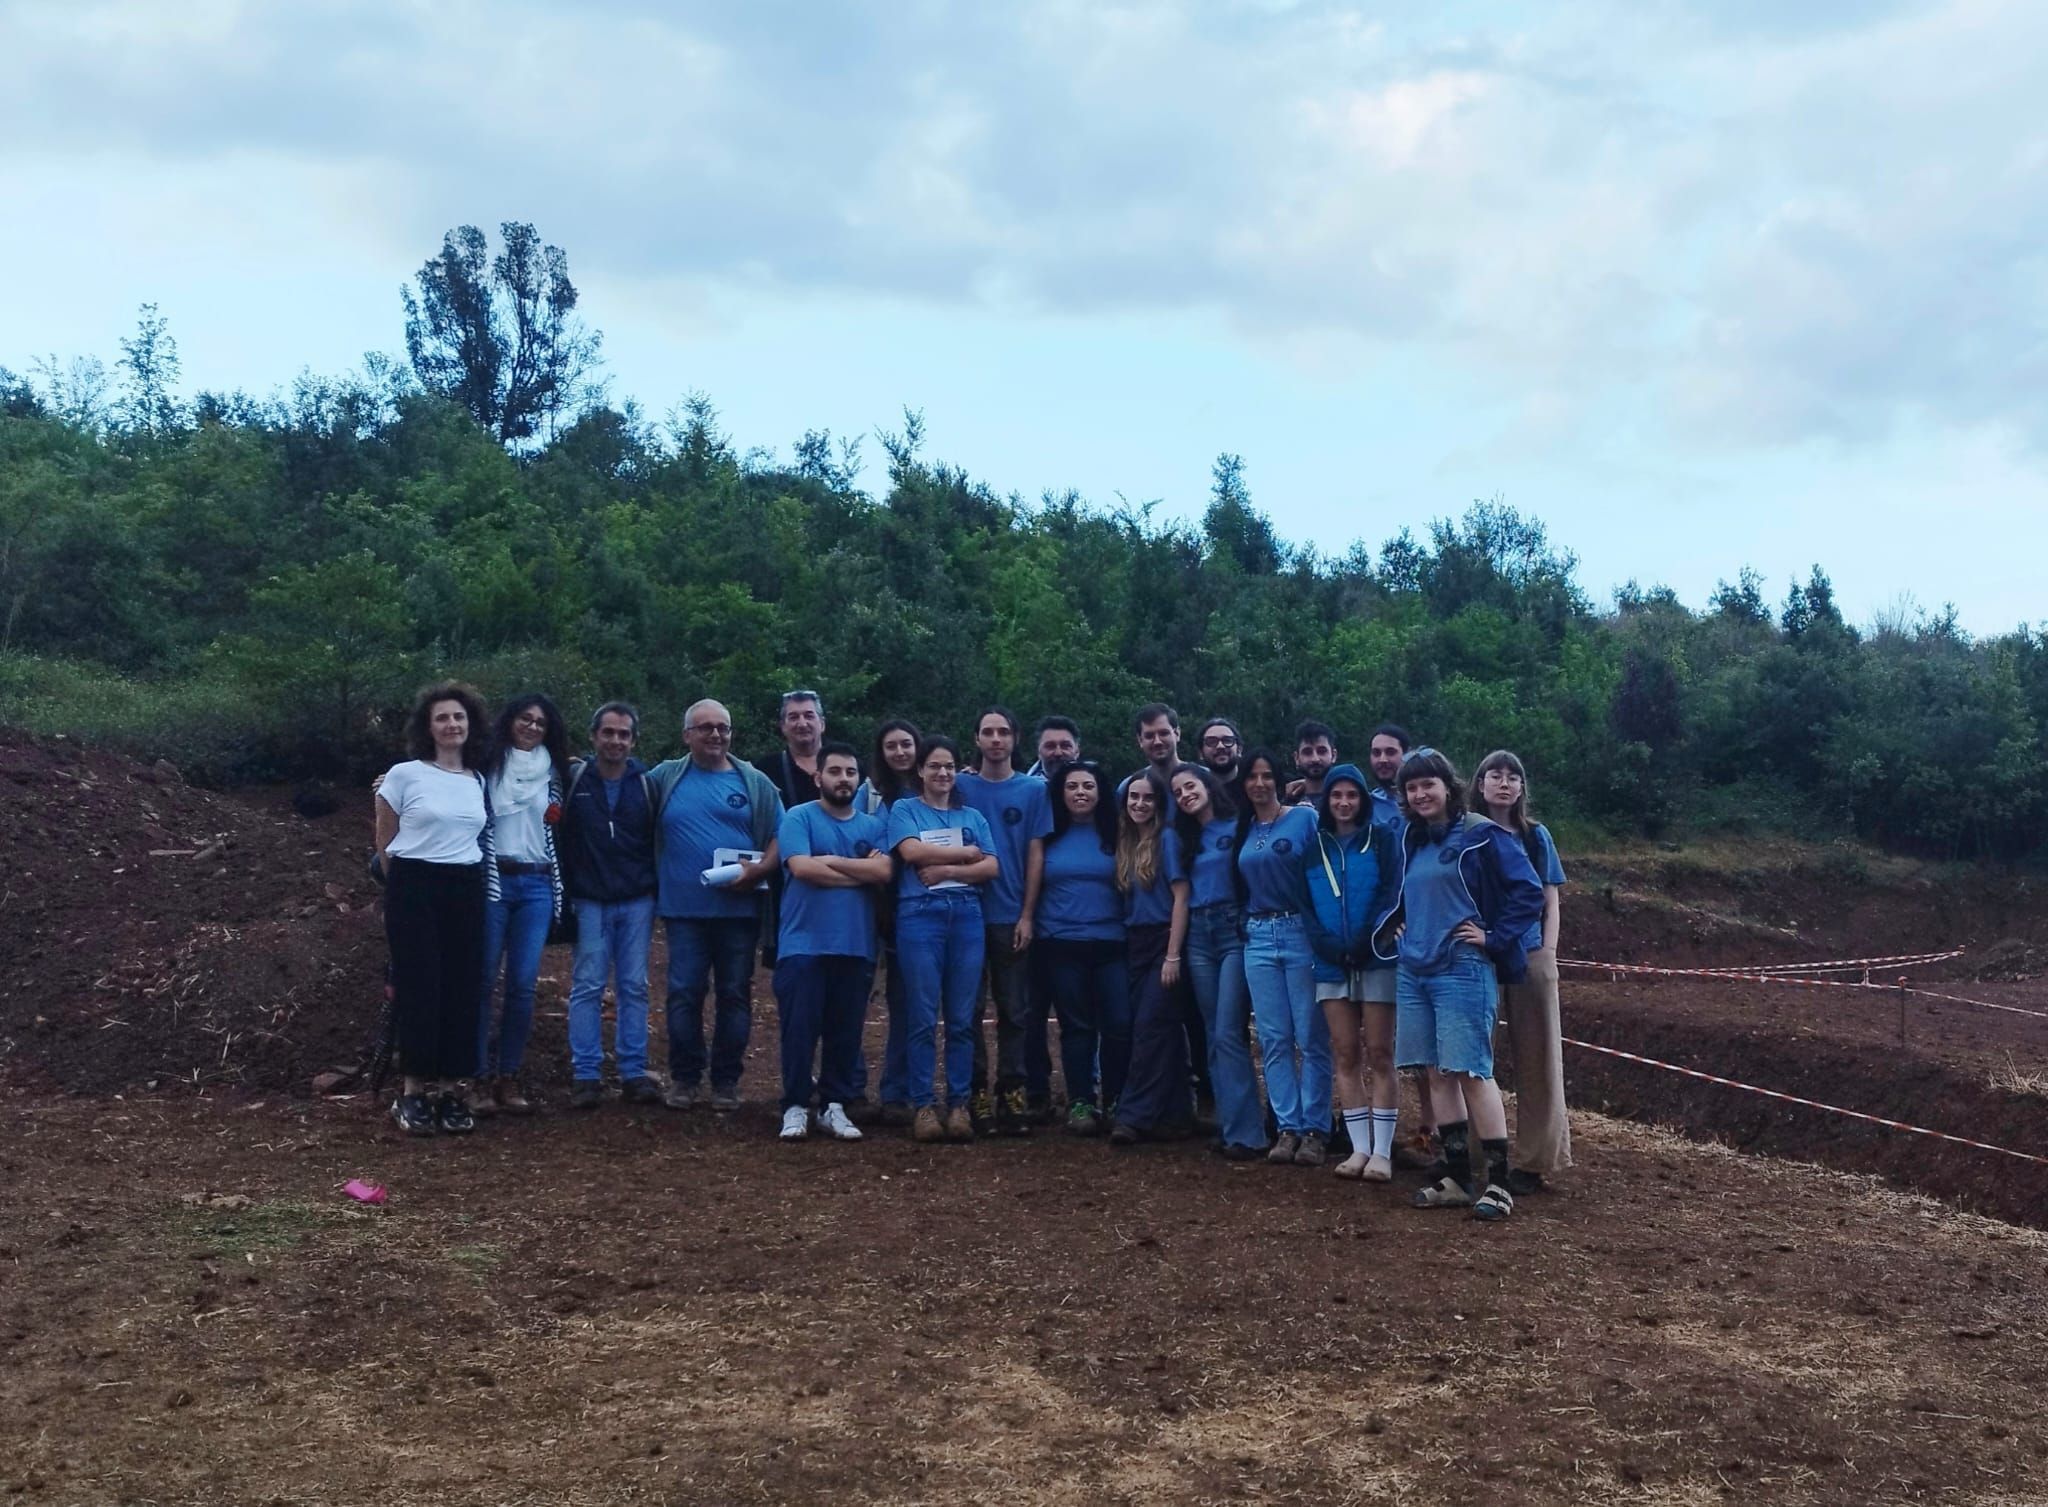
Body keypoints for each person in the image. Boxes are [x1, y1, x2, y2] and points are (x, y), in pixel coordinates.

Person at [1380, 747, 1545, 1222]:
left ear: (1447, 787)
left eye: (1428, 784)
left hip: (1462, 966)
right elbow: (1405, 893)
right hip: (1415, 967)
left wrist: (1493, 937)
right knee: (1435, 1072)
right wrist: (1398, 924)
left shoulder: (1482, 834)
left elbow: (1528, 891)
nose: (1420, 794)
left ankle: (1497, 1182)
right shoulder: (1413, 839)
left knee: (1472, 1071)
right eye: (1411, 788)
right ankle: (1456, 1177)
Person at [649, 699, 784, 1112]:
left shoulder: (755, 783)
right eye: (705, 727)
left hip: (739, 913)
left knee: (735, 996)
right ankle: (685, 1079)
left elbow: (783, 836)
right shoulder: (663, 779)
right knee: (683, 994)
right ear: (687, 734)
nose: (715, 735)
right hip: (684, 911)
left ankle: (726, 1082)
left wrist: (759, 871)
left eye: (723, 728)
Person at [374, 682, 494, 1136]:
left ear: (470, 724)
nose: (451, 724)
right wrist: (401, 888)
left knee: (462, 987)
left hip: (465, 885)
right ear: (429, 725)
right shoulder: (404, 775)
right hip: (414, 885)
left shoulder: (477, 779)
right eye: (442, 717)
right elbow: (384, 841)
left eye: (459, 717)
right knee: (419, 985)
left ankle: (450, 1090)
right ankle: (411, 1093)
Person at [774, 741, 892, 1143]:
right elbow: (803, 869)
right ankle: (794, 1105)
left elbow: (884, 872)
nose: (844, 779)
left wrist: (831, 862)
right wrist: (859, 873)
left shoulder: (874, 826)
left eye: (851, 773)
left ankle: (834, 1105)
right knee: (799, 1029)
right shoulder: (798, 817)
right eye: (836, 771)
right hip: (803, 944)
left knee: (846, 1032)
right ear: (818, 776)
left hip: (856, 944)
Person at [886, 735, 999, 1142]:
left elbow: (990, 867)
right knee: (920, 1015)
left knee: (962, 1018)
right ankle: (922, 1105)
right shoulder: (904, 809)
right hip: (920, 917)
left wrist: (951, 871)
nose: (942, 773)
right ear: (920, 771)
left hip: (967, 916)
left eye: (949, 766)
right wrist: (965, 856)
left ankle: (959, 1105)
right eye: (934, 766)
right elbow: (912, 853)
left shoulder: (973, 816)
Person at [1473, 749, 1572, 1194]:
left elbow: (1550, 899)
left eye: (1514, 777)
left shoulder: (1536, 836)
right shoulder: (1467, 833)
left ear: (1522, 788)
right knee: (1473, 1060)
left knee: (1539, 1059)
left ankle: (1535, 1162)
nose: (1505, 783)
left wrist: (1548, 953)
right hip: (1476, 956)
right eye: (1496, 775)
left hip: (1530, 953)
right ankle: (1474, 1155)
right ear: (1480, 783)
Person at [558, 702, 663, 1110]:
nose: (616, 740)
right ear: (593, 736)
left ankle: (633, 1073)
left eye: (624, 734)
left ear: (634, 740)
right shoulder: (574, 778)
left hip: (637, 898)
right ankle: (586, 1075)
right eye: (609, 732)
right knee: (587, 986)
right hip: (589, 898)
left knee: (634, 986)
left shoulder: (648, 784)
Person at [1302, 763, 1402, 1179]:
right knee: (1344, 1053)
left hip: (1376, 957)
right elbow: (1304, 904)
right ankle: (1358, 1148)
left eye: (1352, 795)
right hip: (1330, 962)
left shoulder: (1382, 839)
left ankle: (1383, 1151)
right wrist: (1325, 944)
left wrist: (1368, 938)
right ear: (1327, 800)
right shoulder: (1313, 846)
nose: (1344, 803)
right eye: (1336, 795)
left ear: (1363, 800)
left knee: (1380, 1053)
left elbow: (1391, 892)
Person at [956, 707, 1052, 1135]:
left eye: (1003, 732)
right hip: (964, 914)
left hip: (1010, 914)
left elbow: (1035, 854)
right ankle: (974, 1092)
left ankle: (1012, 1091)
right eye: (987, 732)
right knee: (968, 1011)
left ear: (1015, 739)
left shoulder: (1034, 790)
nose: (996, 739)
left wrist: (1028, 914)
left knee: (1015, 1011)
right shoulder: (958, 786)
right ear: (976, 739)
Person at [474, 693, 568, 1115]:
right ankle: (474, 1076)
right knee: (481, 981)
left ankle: (508, 1075)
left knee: (523, 985)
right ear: (509, 721)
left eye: (540, 722)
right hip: (493, 881)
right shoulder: (486, 763)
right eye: (524, 719)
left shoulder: (556, 772)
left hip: (537, 884)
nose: (531, 727)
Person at [1236, 748, 1331, 1166]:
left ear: (1278, 779)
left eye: (1266, 775)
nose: (1259, 783)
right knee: (1273, 1038)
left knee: (1310, 1036)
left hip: (1298, 932)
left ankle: (1315, 1128)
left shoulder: (1304, 818)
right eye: (1252, 777)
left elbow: (1323, 873)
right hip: (1257, 936)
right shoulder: (1243, 827)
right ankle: (1287, 1126)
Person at [1169, 763, 1266, 1159]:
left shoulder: (1239, 824)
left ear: (1207, 785)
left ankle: (1249, 1135)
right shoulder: (1181, 838)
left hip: (1234, 930)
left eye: (1189, 785)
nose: (1185, 795)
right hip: (1198, 934)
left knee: (1229, 1030)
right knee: (1212, 1032)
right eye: (1177, 792)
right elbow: (1180, 896)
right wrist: (1173, 953)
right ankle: (1231, 1124)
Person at [1035, 760, 1130, 1134]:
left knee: (1120, 1023)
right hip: (1060, 942)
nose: (1080, 793)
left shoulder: (1118, 832)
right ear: (1060, 793)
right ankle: (1080, 1101)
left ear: (1099, 792)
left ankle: (1117, 1097)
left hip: (1112, 942)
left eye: (1088, 786)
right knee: (1077, 1026)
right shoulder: (1047, 833)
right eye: (1072, 786)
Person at [1106, 769, 1192, 1144]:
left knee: (1150, 1028)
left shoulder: (1167, 839)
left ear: (1160, 804)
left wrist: (1173, 955)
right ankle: (1176, 1112)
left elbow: (1181, 897)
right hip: (1134, 942)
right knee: (1162, 1029)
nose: (1140, 804)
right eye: (1133, 798)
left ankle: (1133, 1115)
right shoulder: (1125, 842)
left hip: (1164, 941)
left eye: (1148, 798)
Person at [858, 719, 922, 1124]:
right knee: (852, 1001)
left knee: (905, 1004)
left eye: (906, 744)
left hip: (912, 909)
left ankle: (897, 1092)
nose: (899, 752)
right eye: (891, 746)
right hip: (865, 906)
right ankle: (847, 1088)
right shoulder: (867, 795)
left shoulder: (935, 789)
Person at [759, 689, 827, 972]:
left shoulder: (847, 765)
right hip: (786, 888)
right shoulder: (764, 771)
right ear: (783, 726)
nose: (802, 723)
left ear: (822, 722)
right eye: (793, 717)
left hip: (841, 881)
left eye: (809, 715)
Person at [1195, 717, 1247, 805]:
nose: (1220, 746)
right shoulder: (1196, 794)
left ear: (1239, 750)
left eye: (1227, 740)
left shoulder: (1253, 788)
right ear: (1200, 753)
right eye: (1211, 742)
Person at [1285, 720, 1338, 805]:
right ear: (1296, 758)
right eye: (1307, 752)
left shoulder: (1347, 801)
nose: (1315, 759)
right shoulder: (1285, 806)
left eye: (1321, 751)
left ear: (1333, 755)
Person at [1027, 716, 1081, 781]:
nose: (1058, 753)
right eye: (1050, 746)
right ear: (1038, 752)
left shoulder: (1094, 788)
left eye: (1065, 746)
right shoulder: (1023, 789)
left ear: (1077, 751)